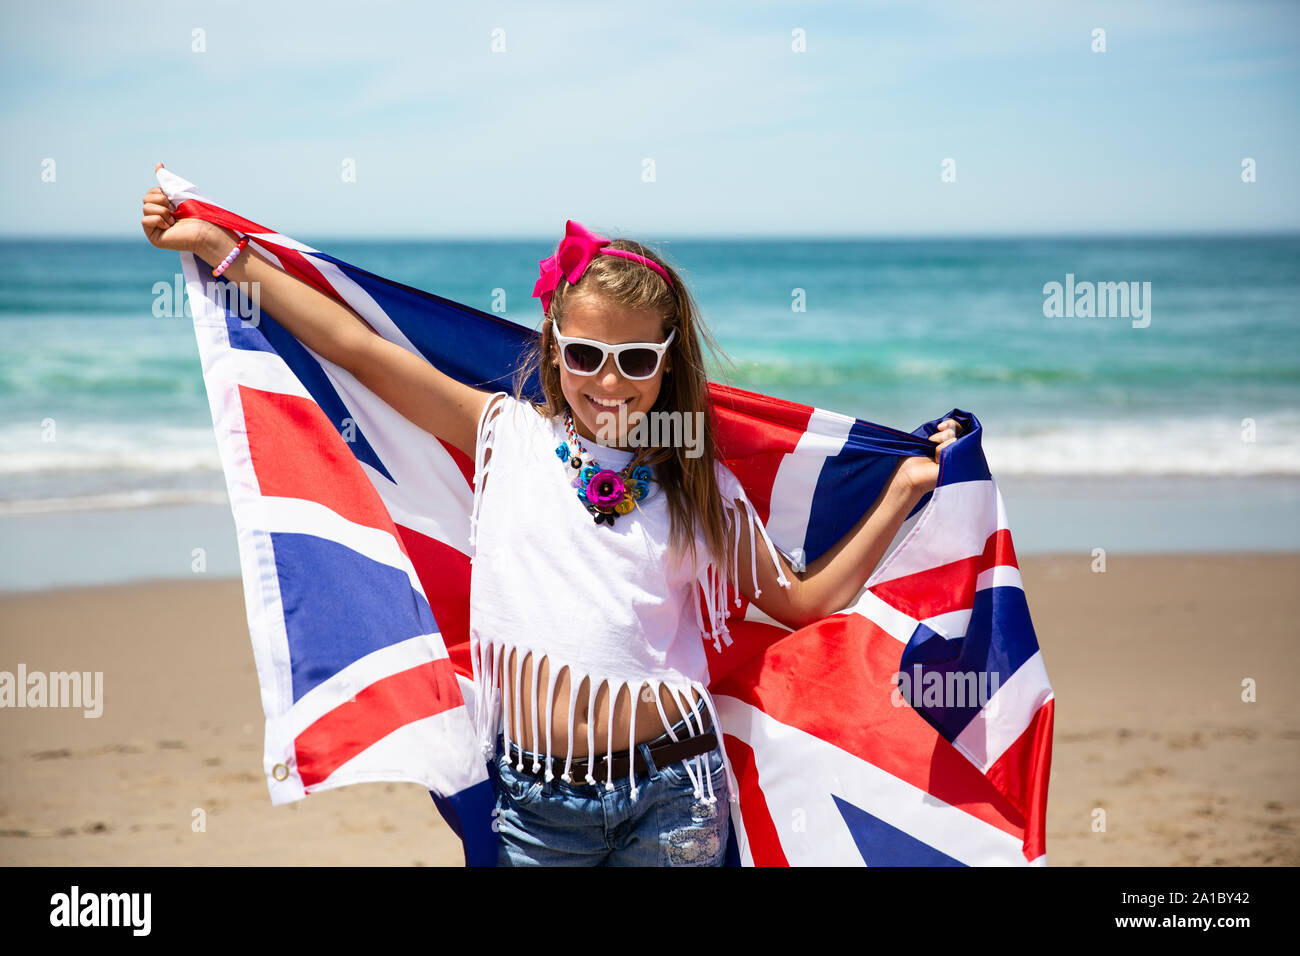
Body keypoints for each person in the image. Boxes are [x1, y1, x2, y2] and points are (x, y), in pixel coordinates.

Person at [140, 176, 964, 866]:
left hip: (674, 793)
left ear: (667, 360)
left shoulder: (695, 485)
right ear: (554, 345)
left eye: (637, 360)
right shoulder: (504, 436)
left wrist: (900, 492)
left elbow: (802, 603)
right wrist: (224, 251)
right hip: (535, 805)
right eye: (586, 356)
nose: (611, 381)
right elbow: (357, 349)